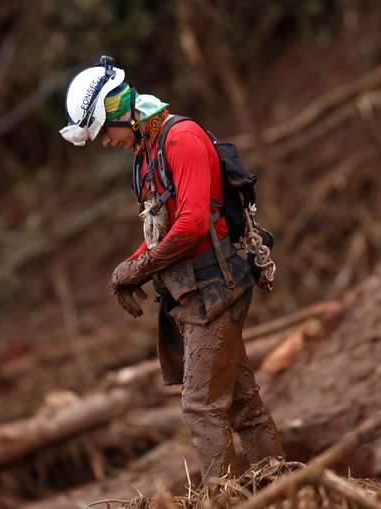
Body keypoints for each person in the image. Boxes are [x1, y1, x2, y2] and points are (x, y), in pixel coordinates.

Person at [60, 56, 283, 484]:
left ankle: (226, 497)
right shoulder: (145, 155)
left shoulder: (181, 139)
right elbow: (162, 227)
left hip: (218, 286)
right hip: (193, 294)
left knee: (200, 406)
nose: (104, 142)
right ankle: (279, 489)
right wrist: (127, 267)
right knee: (242, 405)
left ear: (118, 110)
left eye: (103, 132)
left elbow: (194, 222)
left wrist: (142, 267)